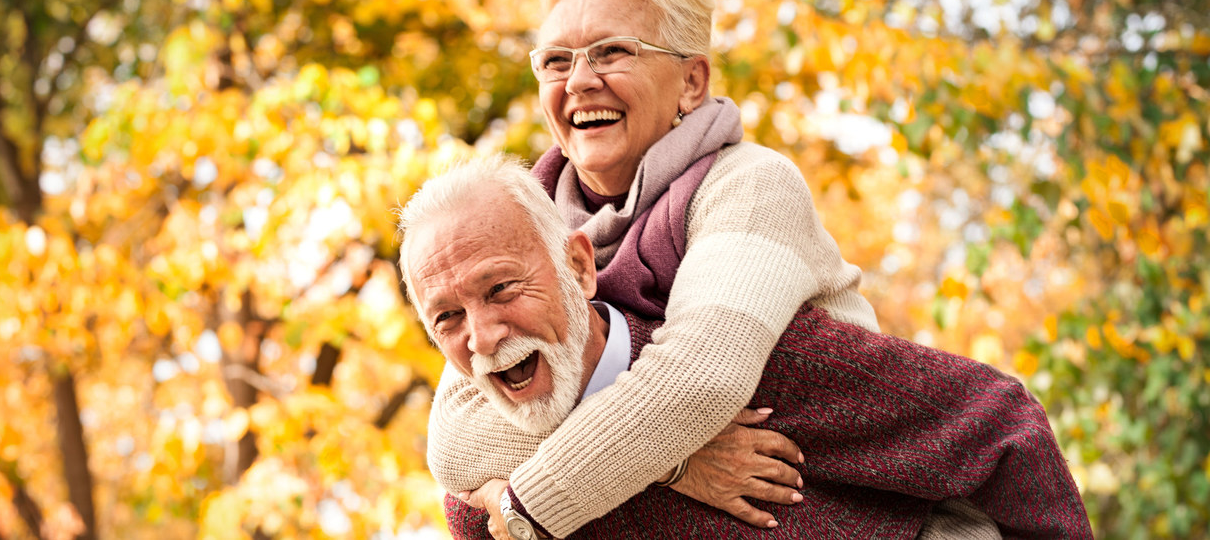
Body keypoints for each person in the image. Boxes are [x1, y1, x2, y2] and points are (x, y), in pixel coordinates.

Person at [424, 0, 988, 538]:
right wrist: (676, 462)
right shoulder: (522, 229)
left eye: (612, 52)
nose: (579, 81)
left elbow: (699, 379)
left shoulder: (751, 184)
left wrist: (524, 506)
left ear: (692, 82)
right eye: (556, 61)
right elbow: (455, 439)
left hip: (869, 515)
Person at [398, 156, 1092, 539]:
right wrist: (667, 463)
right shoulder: (485, 511)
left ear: (580, 268)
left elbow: (1001, 426)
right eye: (447, 319)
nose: (483, 337)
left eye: (501, 290)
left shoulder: (769, 367)